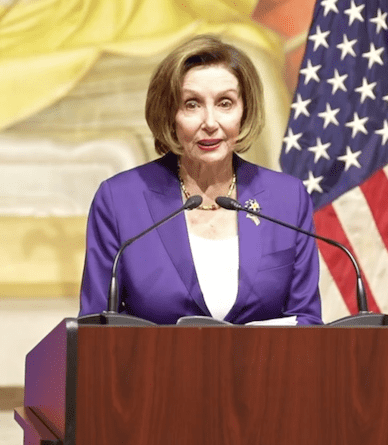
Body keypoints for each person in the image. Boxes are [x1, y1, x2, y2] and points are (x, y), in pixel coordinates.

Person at [78, 35, 322, 325]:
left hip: (263, 370)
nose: (209, 122)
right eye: (192, 104)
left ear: (244, 112)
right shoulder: (120, 200)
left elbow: (307, 321)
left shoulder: (287, 199)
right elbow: (95, 328)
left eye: (225, 103)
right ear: (170, 114)